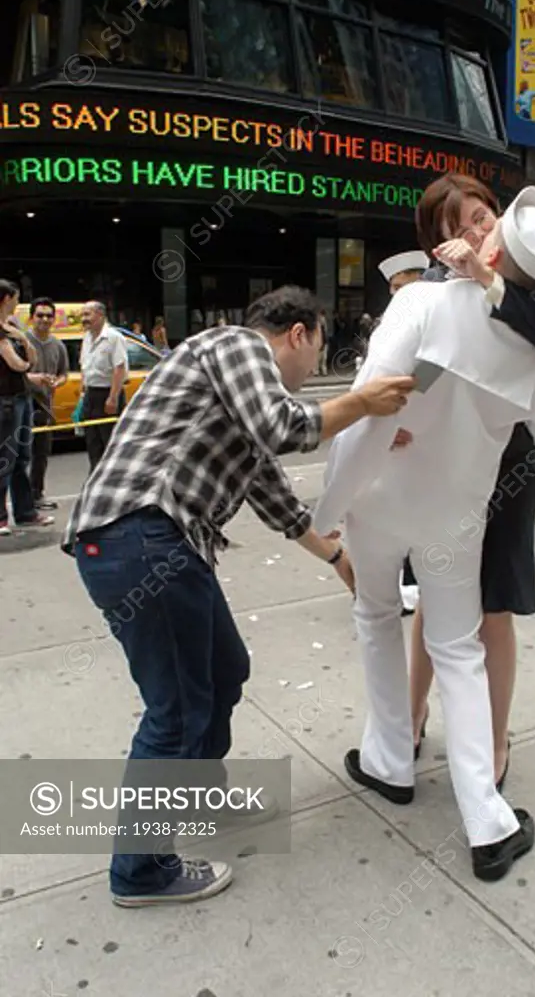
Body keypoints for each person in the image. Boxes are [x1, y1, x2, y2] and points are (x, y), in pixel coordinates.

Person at [62, 285, 414, 907]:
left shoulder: (233, 394)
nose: (311, 372)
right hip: (142, 534)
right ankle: (140, 870)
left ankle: (195, 797)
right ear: (299, 333)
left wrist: (337, 557)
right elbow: (284, 429)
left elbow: (272, 493)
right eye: (319, 351)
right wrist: (361, 402)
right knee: (175, 713)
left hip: (153, 543)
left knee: (227, 671)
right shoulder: (239, 346)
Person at [314, 187, 535, 882]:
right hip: (457, 512)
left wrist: (326, 510)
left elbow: (373, 411)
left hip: (383, 498)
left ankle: (389, 760)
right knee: (456, 649)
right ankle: (485, 821)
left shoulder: (419, 303)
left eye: (482, 220)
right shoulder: (532, 343)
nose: (475, 230)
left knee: (376, 617)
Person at [408, 172, 535, 784]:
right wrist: (399, 419)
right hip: (443, 455)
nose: (478, 233)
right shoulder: (432, 286)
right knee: (434, 590)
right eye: (460, 228)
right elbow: (416, 358)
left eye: (482, 217)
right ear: (437, 245)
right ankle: (411, 713)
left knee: (494, 603)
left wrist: (487, 277)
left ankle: (496, 738)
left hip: (508, 458)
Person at [377, 251, 431, 615]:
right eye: (392, 288)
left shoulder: (434, 321)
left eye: (402, 286)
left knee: (418, 512)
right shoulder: (393, 321)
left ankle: (413, 582)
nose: (395, 294)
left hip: (421, 430)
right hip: (392, 426)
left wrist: (406, 417)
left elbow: (431, 374)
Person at [0, 280, 54, 535]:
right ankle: (0, 517)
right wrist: (24, 359)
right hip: (5, 399)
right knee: (5, 458)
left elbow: (29, 359)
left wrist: (21, 339)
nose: (17, 304)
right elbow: (17, 364)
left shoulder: (13, 327)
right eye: (15, 298)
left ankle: (25, 512)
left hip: (22, 397)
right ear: (5, 298)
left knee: (22, 456)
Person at [26, 297, 69, 510]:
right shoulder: (22, 342)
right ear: (31, 317)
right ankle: (18, 502)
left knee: (41, 453)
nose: (44, 319)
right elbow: (15, 375)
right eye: (40, 315)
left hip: (45, 406)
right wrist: (36, 378)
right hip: (22, 405)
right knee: (17, 456)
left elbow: (64, 374)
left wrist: (56, 382)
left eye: (48, 315)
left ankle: (36, 495)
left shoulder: (58, 345)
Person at [79, 300, 128, 472]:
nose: (83, 318)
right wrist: (82, 393)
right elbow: (84, 367)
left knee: (110, 443)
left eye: (87, 314)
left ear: (100, 315)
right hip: (91, 395)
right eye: (83, 314)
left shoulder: (114, 337)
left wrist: (113, 397)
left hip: (107, 394)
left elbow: (119, 368)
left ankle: (113, 479)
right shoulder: (87, 337)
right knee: (93, 443)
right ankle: (96, 478)